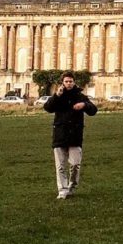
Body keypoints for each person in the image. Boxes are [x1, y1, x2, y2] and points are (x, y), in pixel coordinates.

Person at [43, 72, 98, 200]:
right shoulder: (58, 96)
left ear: (74, 82)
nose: (68, 83)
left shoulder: (80, 97)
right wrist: (56, 95)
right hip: (60, 134)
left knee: (75, 164)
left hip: (75, 135)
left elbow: (93, 110)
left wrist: (84, 105)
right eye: (66, 81)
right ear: (63, 82)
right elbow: (48, 108)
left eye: (71, 81)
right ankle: (62, 190)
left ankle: (72, 187)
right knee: (61, 166)